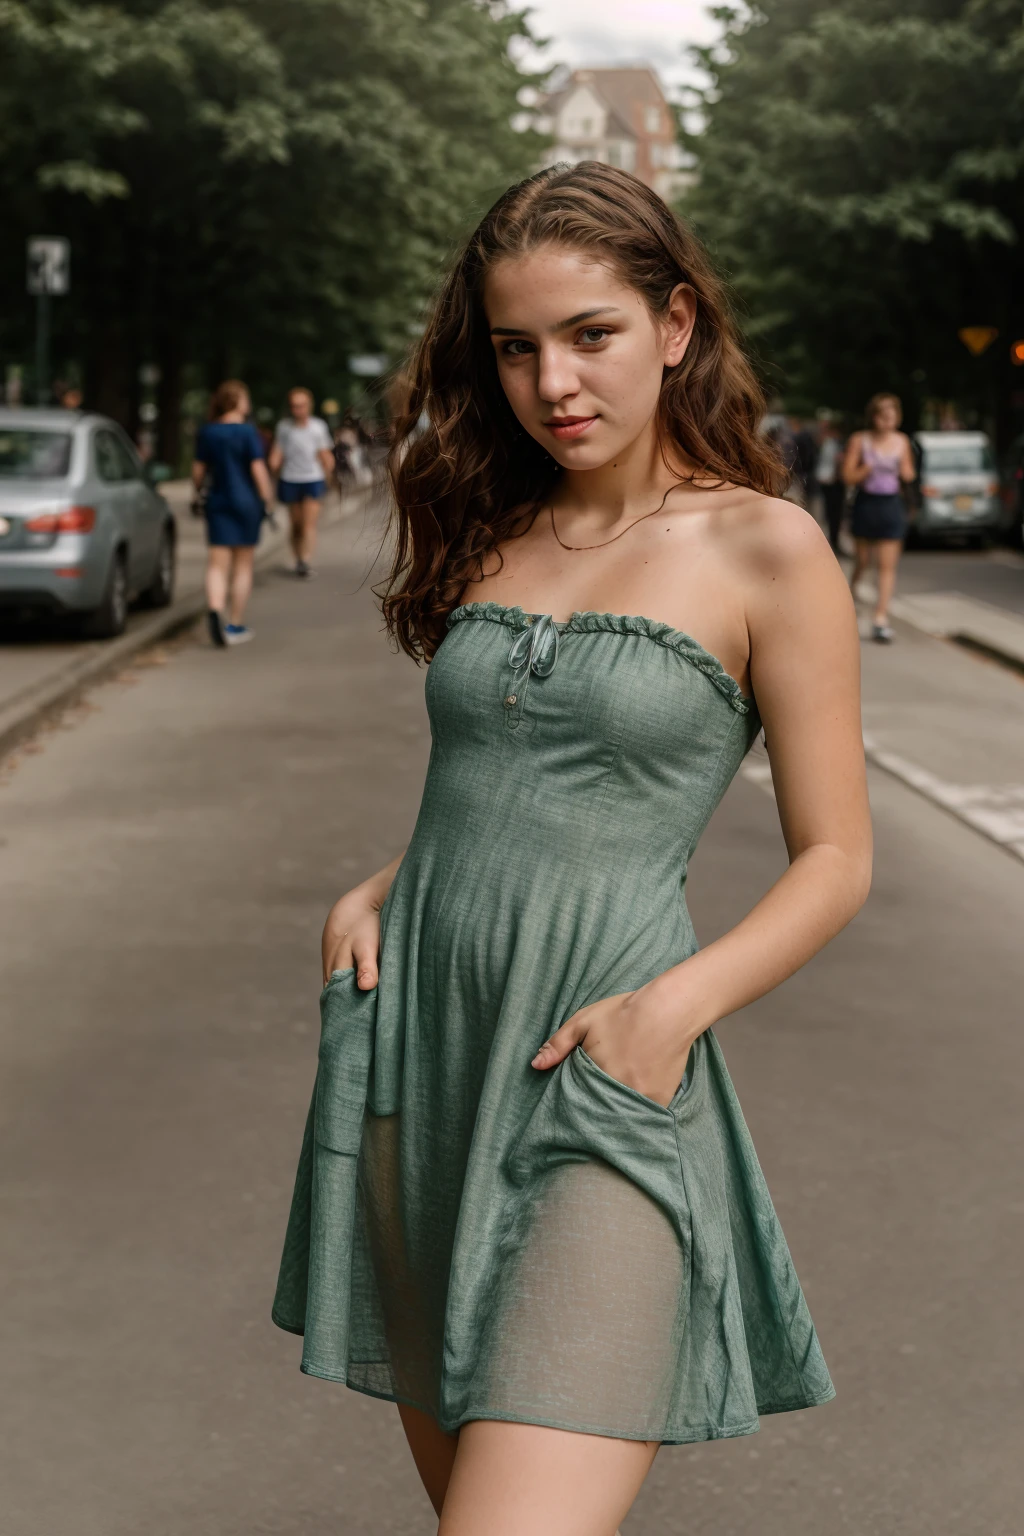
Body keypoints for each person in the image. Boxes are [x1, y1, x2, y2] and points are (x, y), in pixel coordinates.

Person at [273, 163, 872, 1534]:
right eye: (517, 346)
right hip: (418, 1058)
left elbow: (837, 855)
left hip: (601, 1075)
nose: (554, 382)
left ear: (673, 327)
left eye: (590, 334)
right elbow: (495, 782)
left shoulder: (766, 549)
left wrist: (673, 1013)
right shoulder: (489, 529)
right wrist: (383, 883)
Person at [191, 379, 272, 647]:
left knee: (217, 564)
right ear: (238, 401)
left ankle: (215, 607)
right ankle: (234, 625)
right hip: (246, 502)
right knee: (243, 565)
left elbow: (198, 471)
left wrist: (197, 492)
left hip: (218, 501)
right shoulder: (248, 432)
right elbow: (258, 470)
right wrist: (267, 499)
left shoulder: (208, 432)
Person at [843, 393, 916, 642]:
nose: (888, 420)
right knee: (863, 560)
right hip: (866, 504)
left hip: (891, 505)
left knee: (887, 566)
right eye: (883, 415)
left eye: (892, 415)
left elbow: (908, 473)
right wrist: (866, 469)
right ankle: (851, 593)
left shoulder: (902, 441)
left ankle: (880, 617)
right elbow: (847, 476)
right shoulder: (859, 440)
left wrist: (905, 472)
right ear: (874, 417)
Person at [269, 388, 334, 577]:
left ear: (309, 405)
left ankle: (305, 560)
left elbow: (324, 453)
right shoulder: (284, 427)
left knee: (308, 523)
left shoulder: (318, 427)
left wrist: (329, 468)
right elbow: (278, 450)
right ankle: (298, 558)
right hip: (290, 479)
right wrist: (273, 463)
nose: (298, 409)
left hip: (313, 479)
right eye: (294, 406)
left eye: (302, 405)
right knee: (296, 524)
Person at [815, 417, 846, 553]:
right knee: (829, 512)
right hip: (827, 480)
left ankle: (833, 540)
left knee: (835, 514)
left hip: (835, 481)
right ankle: (828, 541)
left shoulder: (836, 442)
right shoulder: (826, 442)